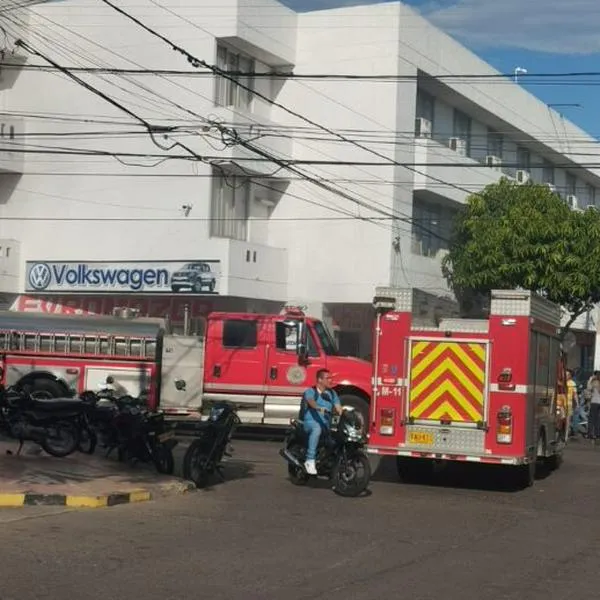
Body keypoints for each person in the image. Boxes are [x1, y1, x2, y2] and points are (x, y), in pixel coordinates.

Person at [299, 369, 343, 475]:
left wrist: (344, 413)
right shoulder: (311, 391)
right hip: (310, 422)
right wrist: (319, 408)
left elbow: (338, 408)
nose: (331, 380)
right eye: (328, 378)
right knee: (316, 429)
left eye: (331, 378)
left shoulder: (332, 393)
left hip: (325, 424)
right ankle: (310, 460)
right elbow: (311, 402)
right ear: (319, 379)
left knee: (336, 439)